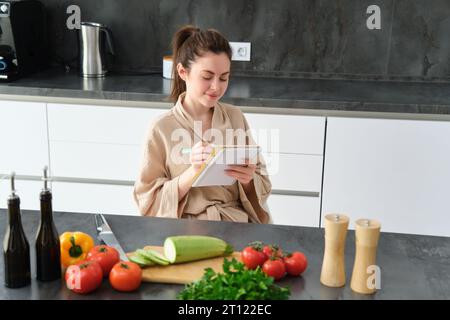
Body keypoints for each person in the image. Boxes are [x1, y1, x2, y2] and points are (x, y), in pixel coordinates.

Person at [133, 25, 272, 223]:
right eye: (207, 77)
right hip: (184, 230)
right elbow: (147, 202)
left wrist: (248, 180)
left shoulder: (235, 117)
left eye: (224, 78)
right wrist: (193, 172)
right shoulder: (161, 128)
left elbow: (263, 184)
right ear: (183, 72)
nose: (216, 87)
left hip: (236, 225)